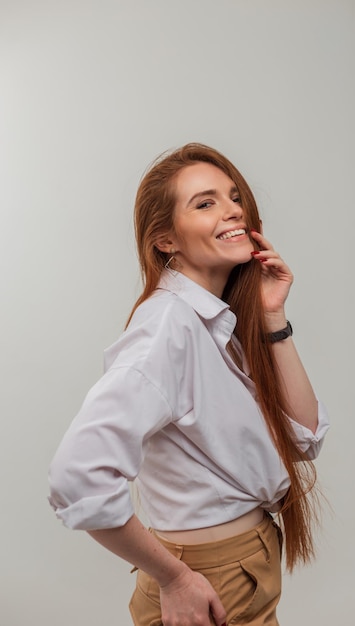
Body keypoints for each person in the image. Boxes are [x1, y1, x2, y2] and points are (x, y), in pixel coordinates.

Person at [48, 143, 329, 626]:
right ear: (165, 240)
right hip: (210, 574)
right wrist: (175, 578)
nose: (233, 210)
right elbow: (77, 476)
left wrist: (272, 318)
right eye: (205, 203)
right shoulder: (166, 329)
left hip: (245, 565)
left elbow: (305, 438)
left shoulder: (214, 323)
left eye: (233, 196)